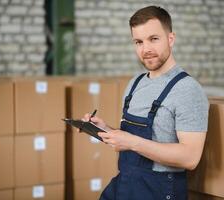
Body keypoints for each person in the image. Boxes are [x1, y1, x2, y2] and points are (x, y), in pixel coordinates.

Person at [83, 5, 209, 200]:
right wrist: (105, 129)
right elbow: (130, 140)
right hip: (125, 185)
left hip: (158, 191)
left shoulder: (188, 90)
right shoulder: (135, 83)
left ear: (171, 38)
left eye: (154, 39)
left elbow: (190, 158)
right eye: (138, 42)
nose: (146, 49)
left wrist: (132, 142)